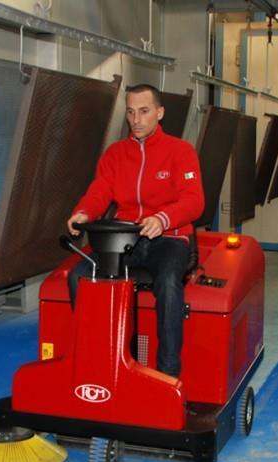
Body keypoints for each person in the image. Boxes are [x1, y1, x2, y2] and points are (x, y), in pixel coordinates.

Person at [66, 84, 204, 378]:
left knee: (168, 283)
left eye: (144, 111)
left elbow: (194, 201)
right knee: (79, 276)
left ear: (159, 113)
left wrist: (163, 219)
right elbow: (99, 192)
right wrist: (83, 212)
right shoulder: (115, 154)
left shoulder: (181, 151)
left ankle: (168, 375)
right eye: (130, 112)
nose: (136, 120)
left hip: (169, 239)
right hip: (125, 239)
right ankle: (102, 363)